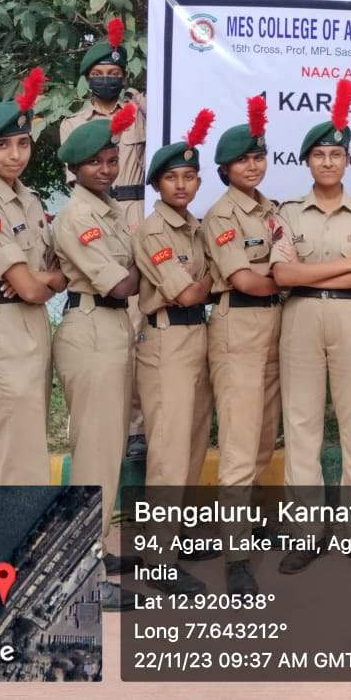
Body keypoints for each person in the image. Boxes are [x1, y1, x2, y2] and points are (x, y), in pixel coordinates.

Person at [270, 78, 351, 575]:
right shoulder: (288, 213)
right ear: (307, 162)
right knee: (301, 427)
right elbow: (283, 275)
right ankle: (306, 534)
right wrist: (348, 264)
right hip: (300, 318)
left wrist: (321, 271)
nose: (328, 162)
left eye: (336, 155)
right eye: (319, 155)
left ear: (347, 160)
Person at [52, 103, 146, 611]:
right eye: (95, 163)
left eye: (112, 160)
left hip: (111, 330)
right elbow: (122, 283)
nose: (106, 170)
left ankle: (95, 553)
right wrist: (152, 265)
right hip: (91, 329)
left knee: (108, 453)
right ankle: (79, 577)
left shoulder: (107, 210)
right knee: (94, 457)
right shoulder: (78, 217)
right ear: (75, 168)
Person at [0, 68, 65, 485]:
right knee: (21, 454)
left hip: (31, 324)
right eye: (2, 145)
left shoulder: (29, 200)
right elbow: (29, 287)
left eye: (22, 143)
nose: (15, 154)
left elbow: (56, 277)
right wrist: (42, 281)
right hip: (0, 326)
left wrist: (44, 279)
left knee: (16, 447)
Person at [202, 94, 285, 595]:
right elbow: (245, 279)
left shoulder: (271, 209)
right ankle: (235, 555)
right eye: (242, 160)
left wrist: (288, 278)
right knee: (238, 441)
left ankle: (246, 523)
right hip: (238, 327)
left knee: (262, 438)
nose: (252, 166)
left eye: (258, 157)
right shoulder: (222, 216)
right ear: (225, 169)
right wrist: (294, 278)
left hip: (273, 326)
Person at [132, 108, 217, 596]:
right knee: (167, 450)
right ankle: (157, 559)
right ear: (156, 185)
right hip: (165, 340)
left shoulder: (193, 227)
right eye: (171, 178)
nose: (181, 185)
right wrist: (206, 283)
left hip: (197, 337)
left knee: (192, 443)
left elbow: (200, 288)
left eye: (188, 177)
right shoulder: (154, 231)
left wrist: (201, 285)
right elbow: (186, 293)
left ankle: (176, 537)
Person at [59, 16, 149, 461]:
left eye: (115, 73)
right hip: (100, 210)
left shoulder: (142, 112)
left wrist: (142, 103)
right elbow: (78, 177)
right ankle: (113, 425)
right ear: (87, 77)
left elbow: (175, 100)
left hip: (138, 208)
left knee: (140, 321)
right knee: (115, 310)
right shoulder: (73, 123)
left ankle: (138, 426)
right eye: (99, 73)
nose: (107, 79)